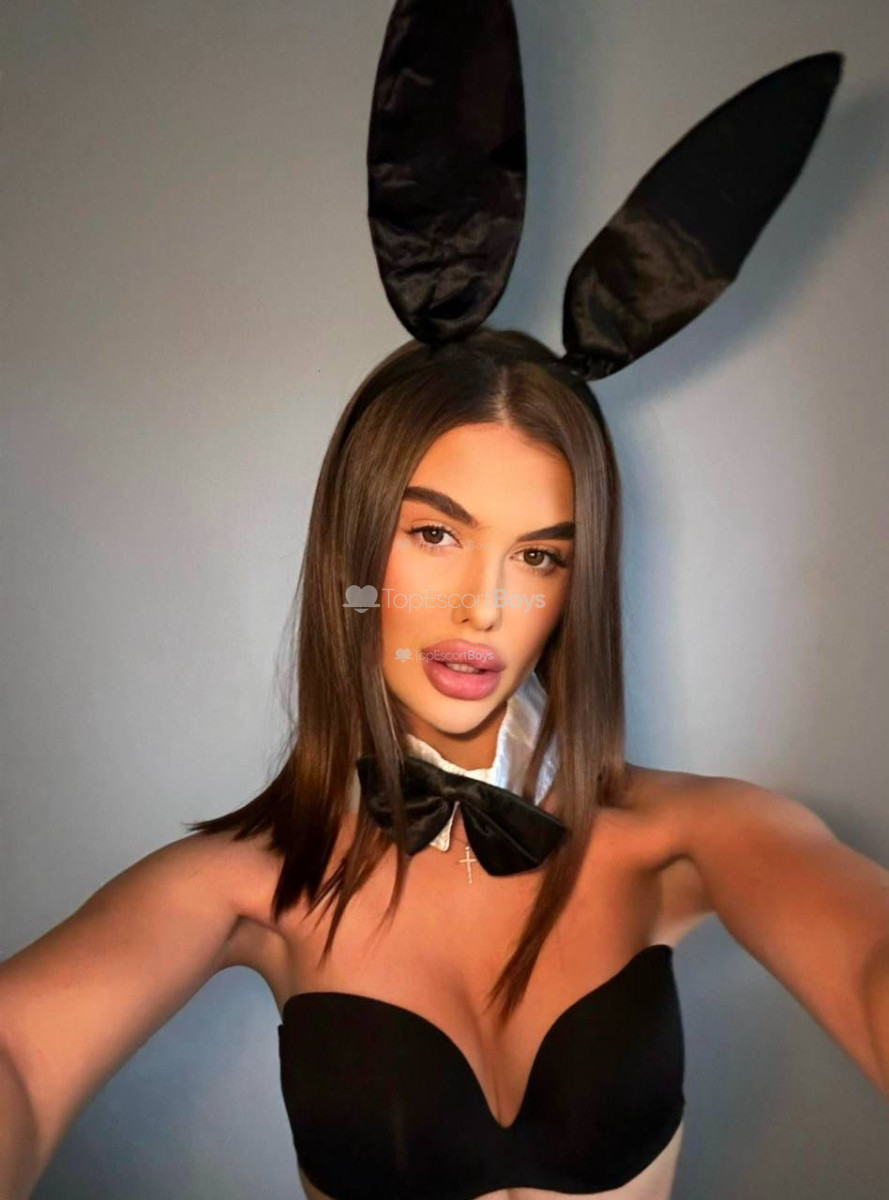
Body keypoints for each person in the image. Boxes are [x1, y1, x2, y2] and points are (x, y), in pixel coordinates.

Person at [2, 3, 888, 1199]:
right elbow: (20, 1058)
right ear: (356, 561)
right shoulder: (246, 885)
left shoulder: (697, 838)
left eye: (540, 558)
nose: (484, 608)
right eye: (433, 535)